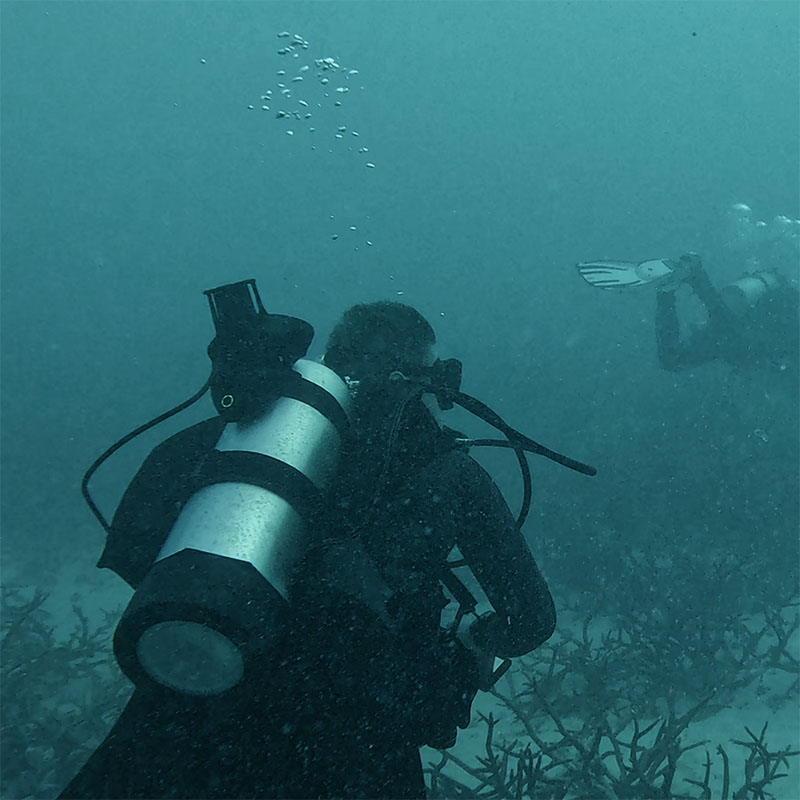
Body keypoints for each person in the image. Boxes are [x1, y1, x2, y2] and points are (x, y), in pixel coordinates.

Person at [60, 299, 557, 799]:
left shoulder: (236, 436)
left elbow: (130, 544)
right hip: (357, 730)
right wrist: (468, 638)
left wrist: (227, 592)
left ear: (329, 360)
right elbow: (532, 618)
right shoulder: (448, 471)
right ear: (423, 379)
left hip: (197, 698)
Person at [655, 252, 799, 377]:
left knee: (671, 360)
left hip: (738, 339)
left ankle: (671, 289)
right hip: (744, 340)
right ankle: (692, 276)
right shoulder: (787, 321)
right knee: (722, 324)